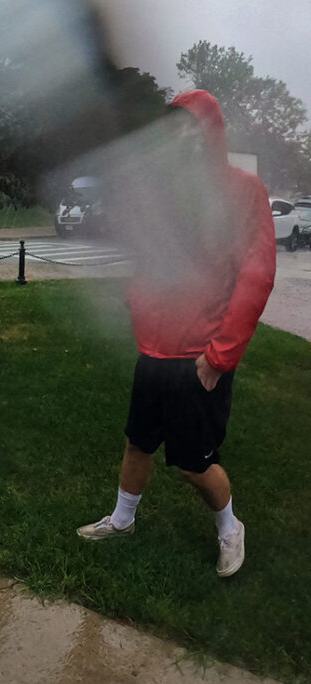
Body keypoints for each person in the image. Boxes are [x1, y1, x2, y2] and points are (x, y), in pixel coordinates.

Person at [77, 90, 276, 578]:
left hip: (199, 358)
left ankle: (231, 530)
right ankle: (122, 521)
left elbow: (257, 275)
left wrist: (219, 358)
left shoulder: (243, 190)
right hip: (153, 352)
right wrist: (137, 304)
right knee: (137, 443)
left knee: (192, 464)